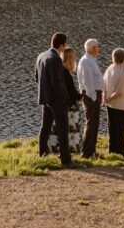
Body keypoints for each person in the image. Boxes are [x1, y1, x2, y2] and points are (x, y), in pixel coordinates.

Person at [36, 32, 74, 167]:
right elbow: (58, 83)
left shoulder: (41, 56)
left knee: (45, 126)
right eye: (65, 44)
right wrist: (66, 99)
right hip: (57, 100)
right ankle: (65, 158)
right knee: (62, 128)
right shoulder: (56, 59)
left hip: (45, 97)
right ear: (62, 45)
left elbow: (37, 78)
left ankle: (42, 153)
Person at [48, 46, 82, 156]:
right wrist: (81, 96)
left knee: (58, 127)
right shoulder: (66, 72)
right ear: (71, 58)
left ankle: (55, 148)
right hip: (69, 104)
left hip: (60, 103)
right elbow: (71, 90)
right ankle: (70, 150)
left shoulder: (59, 69)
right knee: (70, 128)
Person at [103, 48, 124, 155]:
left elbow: (103, 83)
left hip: (110, 104)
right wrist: (110, 98)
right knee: (121, 128)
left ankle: (112, 148)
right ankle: (120, 150)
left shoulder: (110, 68)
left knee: (112, 127)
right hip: (121, 105)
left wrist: (105, 97)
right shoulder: (123, 72)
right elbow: (120, 91)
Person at [77, 38, 104, 158]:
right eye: (98, 46)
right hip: (91, 95)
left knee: (93, 123)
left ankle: (91, 150)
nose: (99, 48)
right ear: (93, 48)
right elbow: (87, 81)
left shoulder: (90, 60)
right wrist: (93, 97)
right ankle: (87, 152)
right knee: (92, 123)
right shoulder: (87, 61)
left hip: (93, 94)